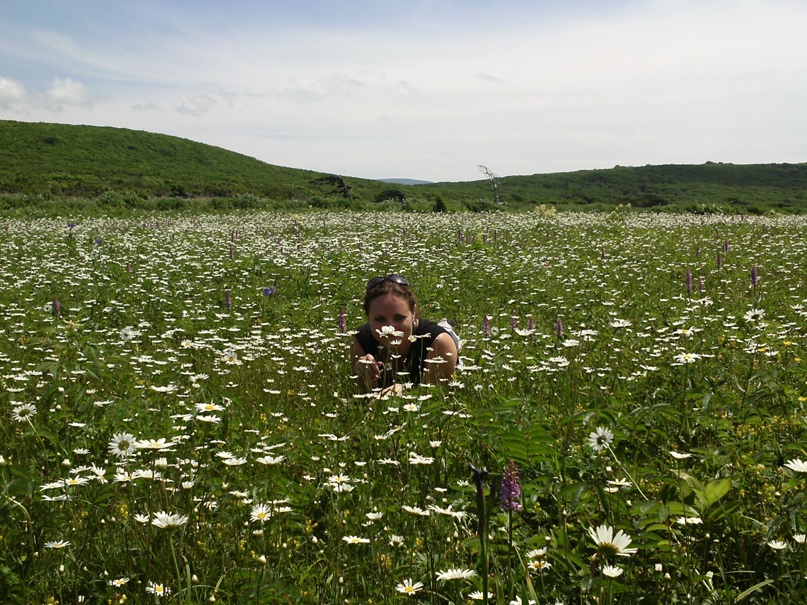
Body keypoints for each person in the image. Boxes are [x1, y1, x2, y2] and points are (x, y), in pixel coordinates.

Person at [352, 274, 459, 394]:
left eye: (399, 318)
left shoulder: (439, 342)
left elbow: (437, 398)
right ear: (367, 316)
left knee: (445, 337)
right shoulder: (361, 339)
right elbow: (365, 398)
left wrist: (404, 390)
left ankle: (447, 329)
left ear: (413, 312)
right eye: (379, 319)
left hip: (433, 340)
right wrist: (364, 375)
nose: (390, 327)